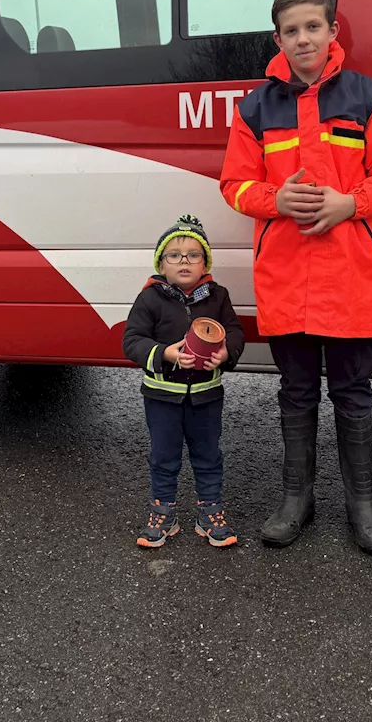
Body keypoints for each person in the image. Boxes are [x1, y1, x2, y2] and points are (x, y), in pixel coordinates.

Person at [219, 0, 372, 554]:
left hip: (351, 274)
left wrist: (350, 203)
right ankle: (296, 499)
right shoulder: (254, 107)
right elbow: (234, 184)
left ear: (333, 32)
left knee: (354, 394)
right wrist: (273, 201)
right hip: (286, 276)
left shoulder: (371, 98)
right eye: (290, 30)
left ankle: (362, 504)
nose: (302, 38)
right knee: (296, 391)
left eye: (313, 27)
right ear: (277, 39)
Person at [122, 215, 246, 549]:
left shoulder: (217, 296)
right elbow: (132, 340)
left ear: (205, 262)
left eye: (193, 254)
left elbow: (234, 331)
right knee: (164, 457)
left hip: (206, 396)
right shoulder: (150, 298)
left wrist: (226, 353)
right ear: (161, 264)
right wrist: (165, 354)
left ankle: (210, 512)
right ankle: (163, 514)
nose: (184, 261)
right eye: (174, 255)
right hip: (163, 397)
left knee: (208, 455)